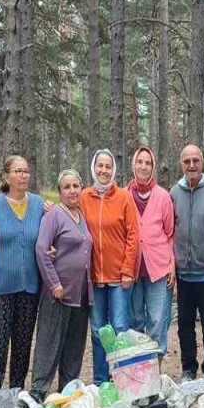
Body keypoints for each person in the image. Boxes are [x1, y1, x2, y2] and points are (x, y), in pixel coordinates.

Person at [0, 156, 44, 390]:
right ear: (6, 176)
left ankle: (17, 392)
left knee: (22, 345)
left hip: (29, 288)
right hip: (0, 288)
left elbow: (47, 237)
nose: (23, 175)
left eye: (26, 171)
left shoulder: (38, 204)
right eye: (18, 171)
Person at [29, 169, 94, 399]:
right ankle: (38, 390)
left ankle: (67, 390)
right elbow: (41, 249)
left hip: (80, 292)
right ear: (60, 192)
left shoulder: (81, 216)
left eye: (76, 186)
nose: (72, 191)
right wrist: (53, 282)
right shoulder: (54, 215)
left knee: (74, 345)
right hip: (58, 292)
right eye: (67, 187)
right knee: (50, 341)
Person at [80, 149, 140, 384]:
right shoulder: (84, 197)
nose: (103, 170)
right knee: (97, 330)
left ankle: (122, 380)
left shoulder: (124, 197)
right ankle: (100, 380)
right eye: (100, 166)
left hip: (118, 277)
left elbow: (133, 235)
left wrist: (127, 270)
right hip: (94, 277)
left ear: (113, 169)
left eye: (107, 166)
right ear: (94, 168)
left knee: (119, 328)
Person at [170, 144, 204, 381]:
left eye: (196, 160)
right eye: (187, 161)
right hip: (183, 273)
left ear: (202, 161)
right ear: (181, 164)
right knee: (185, 324)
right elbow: (169, 231)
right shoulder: (174, 193)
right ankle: (188, 368)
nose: (191, 165)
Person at [126, 145, 175, 356]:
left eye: (148, 163)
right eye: (140, 162)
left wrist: (172, 264)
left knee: (157, 319)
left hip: (159, 267)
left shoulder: (163, 196)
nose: (143, 166)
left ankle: (156, 365)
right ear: (133, 165)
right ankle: (139, 366)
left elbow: (170, 233)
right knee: (135, 319)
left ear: (152, 167)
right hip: (132, 269)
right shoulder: (124, 195)